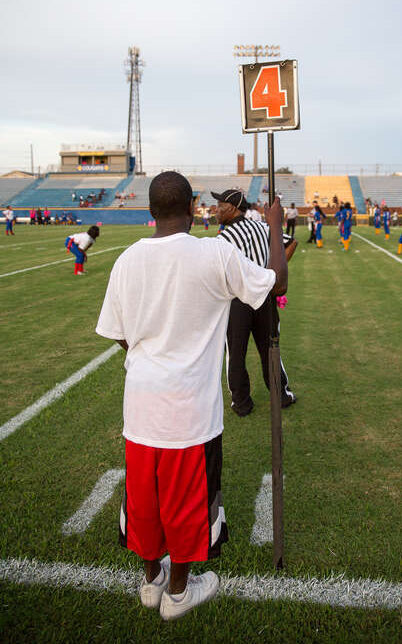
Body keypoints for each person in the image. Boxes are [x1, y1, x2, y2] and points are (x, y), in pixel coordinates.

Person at [96, 172, 287, 619]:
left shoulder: (127, 260)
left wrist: (155, 354)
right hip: (190, 410)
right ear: (193, 207)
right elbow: (275, 284)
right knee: (186, 505)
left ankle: (151, 582)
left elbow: (119, 334)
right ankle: (178, 593)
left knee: (145, 501)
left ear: (150, 212)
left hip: (142, 404)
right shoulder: (213, 253)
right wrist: (275, 224)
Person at [213, 188, 297, 416]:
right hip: (265, 296)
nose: (216, 210)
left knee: (236, 354)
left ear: (231, 208)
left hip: (238, 301)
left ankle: (241, 403)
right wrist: (271, 273)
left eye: (220, 205)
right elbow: (291, 243)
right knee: (270, 349)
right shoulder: (262, 227)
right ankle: (281, 395)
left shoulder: (223, 239)